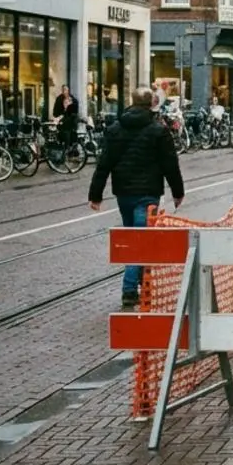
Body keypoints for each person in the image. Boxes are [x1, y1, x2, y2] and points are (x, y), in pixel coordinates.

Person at [87, 87, 185, 309]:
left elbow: (104, 164)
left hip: (123, 193)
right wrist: (178, 192)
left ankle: (142, 280)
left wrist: (96, 194)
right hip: (147, 193)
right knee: (140, 241)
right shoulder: (158, 131)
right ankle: (130, 288)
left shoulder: (115, 129)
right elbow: (170, 165)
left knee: (133, 236)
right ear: (152, 103)